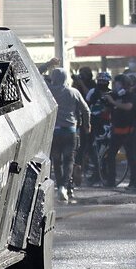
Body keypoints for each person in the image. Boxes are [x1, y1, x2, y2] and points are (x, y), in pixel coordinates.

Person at [48, 68, 90, 202]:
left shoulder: (49, 91)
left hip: (55, 131)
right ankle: (65, 187)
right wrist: (87, 124)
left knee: (56, 160)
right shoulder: (74, 92)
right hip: (70, 130)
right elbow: (86, 110)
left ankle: (60, 185)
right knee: (69, 160)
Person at [103, 74, 136, 191]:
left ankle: (133, 182)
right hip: (116, 130)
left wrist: (113, 102)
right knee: (110, 156)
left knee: (131, 157)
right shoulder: (115, 96)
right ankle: (111, 180)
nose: (115, 86)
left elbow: (128, 107)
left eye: (118, 83)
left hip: (129, 131)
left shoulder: (131, 96)